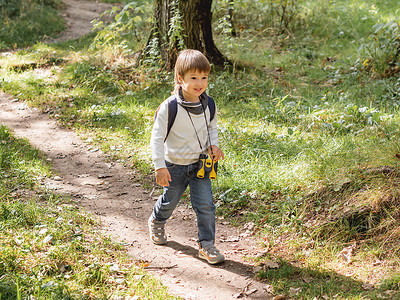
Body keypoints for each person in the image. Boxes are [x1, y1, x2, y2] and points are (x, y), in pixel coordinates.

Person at [148, 49, 225, 264]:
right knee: (169, 201)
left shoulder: (208, 104)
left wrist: (214, 146)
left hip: (199, 166)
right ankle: (157, 220)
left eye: (204, 77)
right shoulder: (169, 107)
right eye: (193, 78)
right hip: (174, 166)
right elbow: (156, 138)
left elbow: (211, 127)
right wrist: (159, 166)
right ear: (180, 79)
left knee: (206, 205)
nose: (199, 83)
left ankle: (206, 244)